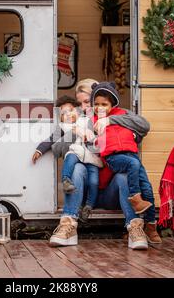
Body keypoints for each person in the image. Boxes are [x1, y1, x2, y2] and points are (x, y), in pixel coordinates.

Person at [49, 79, 156, 247]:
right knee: (77, 168)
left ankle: (135, 228)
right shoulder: (77, 121)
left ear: (108, 101)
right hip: (84, 192)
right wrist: (75, 133)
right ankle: (68, 225)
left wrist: (110, 121)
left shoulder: (117, 114)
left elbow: (143, 126)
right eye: (80, 103)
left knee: (122, 176)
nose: (84, 107)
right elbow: (56, 149)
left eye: (87, 102)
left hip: (110, 191)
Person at [91, 82, 153, 215]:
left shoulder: (123, 114)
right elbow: (73, 137)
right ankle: (134, 208)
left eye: (104, 104)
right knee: (129, 168)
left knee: (140, 183)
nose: (99, 108)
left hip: (126, 162)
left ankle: (146, 224)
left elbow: (143, 126)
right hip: (103, 189)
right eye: (96, 104)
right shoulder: (89, 121)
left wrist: (111, 121)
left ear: (113, 104)